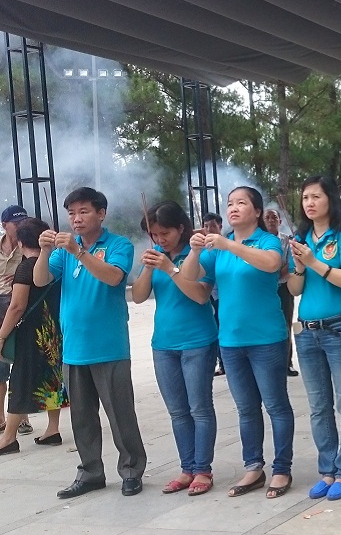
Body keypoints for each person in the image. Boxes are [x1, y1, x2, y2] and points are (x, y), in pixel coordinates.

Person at [34, 187, 147, 498]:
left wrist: (79, 252)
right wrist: (44, 251)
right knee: (82, 418)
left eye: (83, 211)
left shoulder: (118, 245)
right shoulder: (63, 251)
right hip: (74, 347)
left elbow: (114, 277)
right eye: (71, 213)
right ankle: (90, 472)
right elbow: (40, 280)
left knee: (121, 415)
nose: (76, 219)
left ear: (101, 213)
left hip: (109, 347)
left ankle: (131, 470)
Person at [182, 186, 294, 499]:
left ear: (256, 211)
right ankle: (254, 467)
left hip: (266, 338)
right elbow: (190, 275)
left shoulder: (266, 241)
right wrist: (194, 251)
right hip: (230, 340)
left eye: (241, 203)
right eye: (230, 203)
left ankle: (282, 468)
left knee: (276, 405)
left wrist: (229, 244)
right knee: (246, 408)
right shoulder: (218, 247)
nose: (233, 208)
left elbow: (271, 264)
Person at [131, 201, 218, 496]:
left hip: (198, 341)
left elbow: (200, 296)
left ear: (181, 228)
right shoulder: (156, 256)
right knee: (178, 411)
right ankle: (187, 467)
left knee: (199, 408)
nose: (160, 239)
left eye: (165, 232)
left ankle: (203, 469)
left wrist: (170, 269)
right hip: (163, 343)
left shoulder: (199, 251)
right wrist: (148, 268)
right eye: (154, 234)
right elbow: (139, 296)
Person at [286, 175, 341, 501]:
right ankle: (327, 470)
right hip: (307, 331)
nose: (310, 203)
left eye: (316, 196)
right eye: (305, 197)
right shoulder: (300, 239)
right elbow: (294, 289)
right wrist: (299, 266)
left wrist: (314, 262)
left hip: (340, 328)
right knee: (319, 407)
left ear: (330, 199)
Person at [0, 217, 66, 455]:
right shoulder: (55, 265)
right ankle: (52, 429)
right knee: (52, 378)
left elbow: (17, 307)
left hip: (30, 334)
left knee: (19, 381)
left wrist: (1, 335)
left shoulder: (26, 267)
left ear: (20, 243)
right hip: (53, 330)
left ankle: (9, 438)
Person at [0, 205, 28, 436]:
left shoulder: (29, 246)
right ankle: (1, 418)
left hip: (19, 305)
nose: (20, 227)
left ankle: (22, 417)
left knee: (20, 362)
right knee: (0, 366)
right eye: (16, 223)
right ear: (4, 225)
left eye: (23, 222)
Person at [265, 208, 299, 377]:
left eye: (274, 217)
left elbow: (289, 264)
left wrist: (274, 274)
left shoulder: (287, 240)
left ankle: (287, 363)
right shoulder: (259, 240)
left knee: (285, 324)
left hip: (283, 287)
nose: (271, 220)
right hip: (263, 289)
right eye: (267, 217)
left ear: (280, 221)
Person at [201, 212, 226, 376]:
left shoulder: (226, 246)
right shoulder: (201, 248)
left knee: (222, 326)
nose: (209, 229)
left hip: (222, 295)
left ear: (220, 226)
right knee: (214, 328)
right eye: (206, 226)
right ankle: (220, 361)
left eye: (213, 225)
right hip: (207, 294)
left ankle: (225, 361)